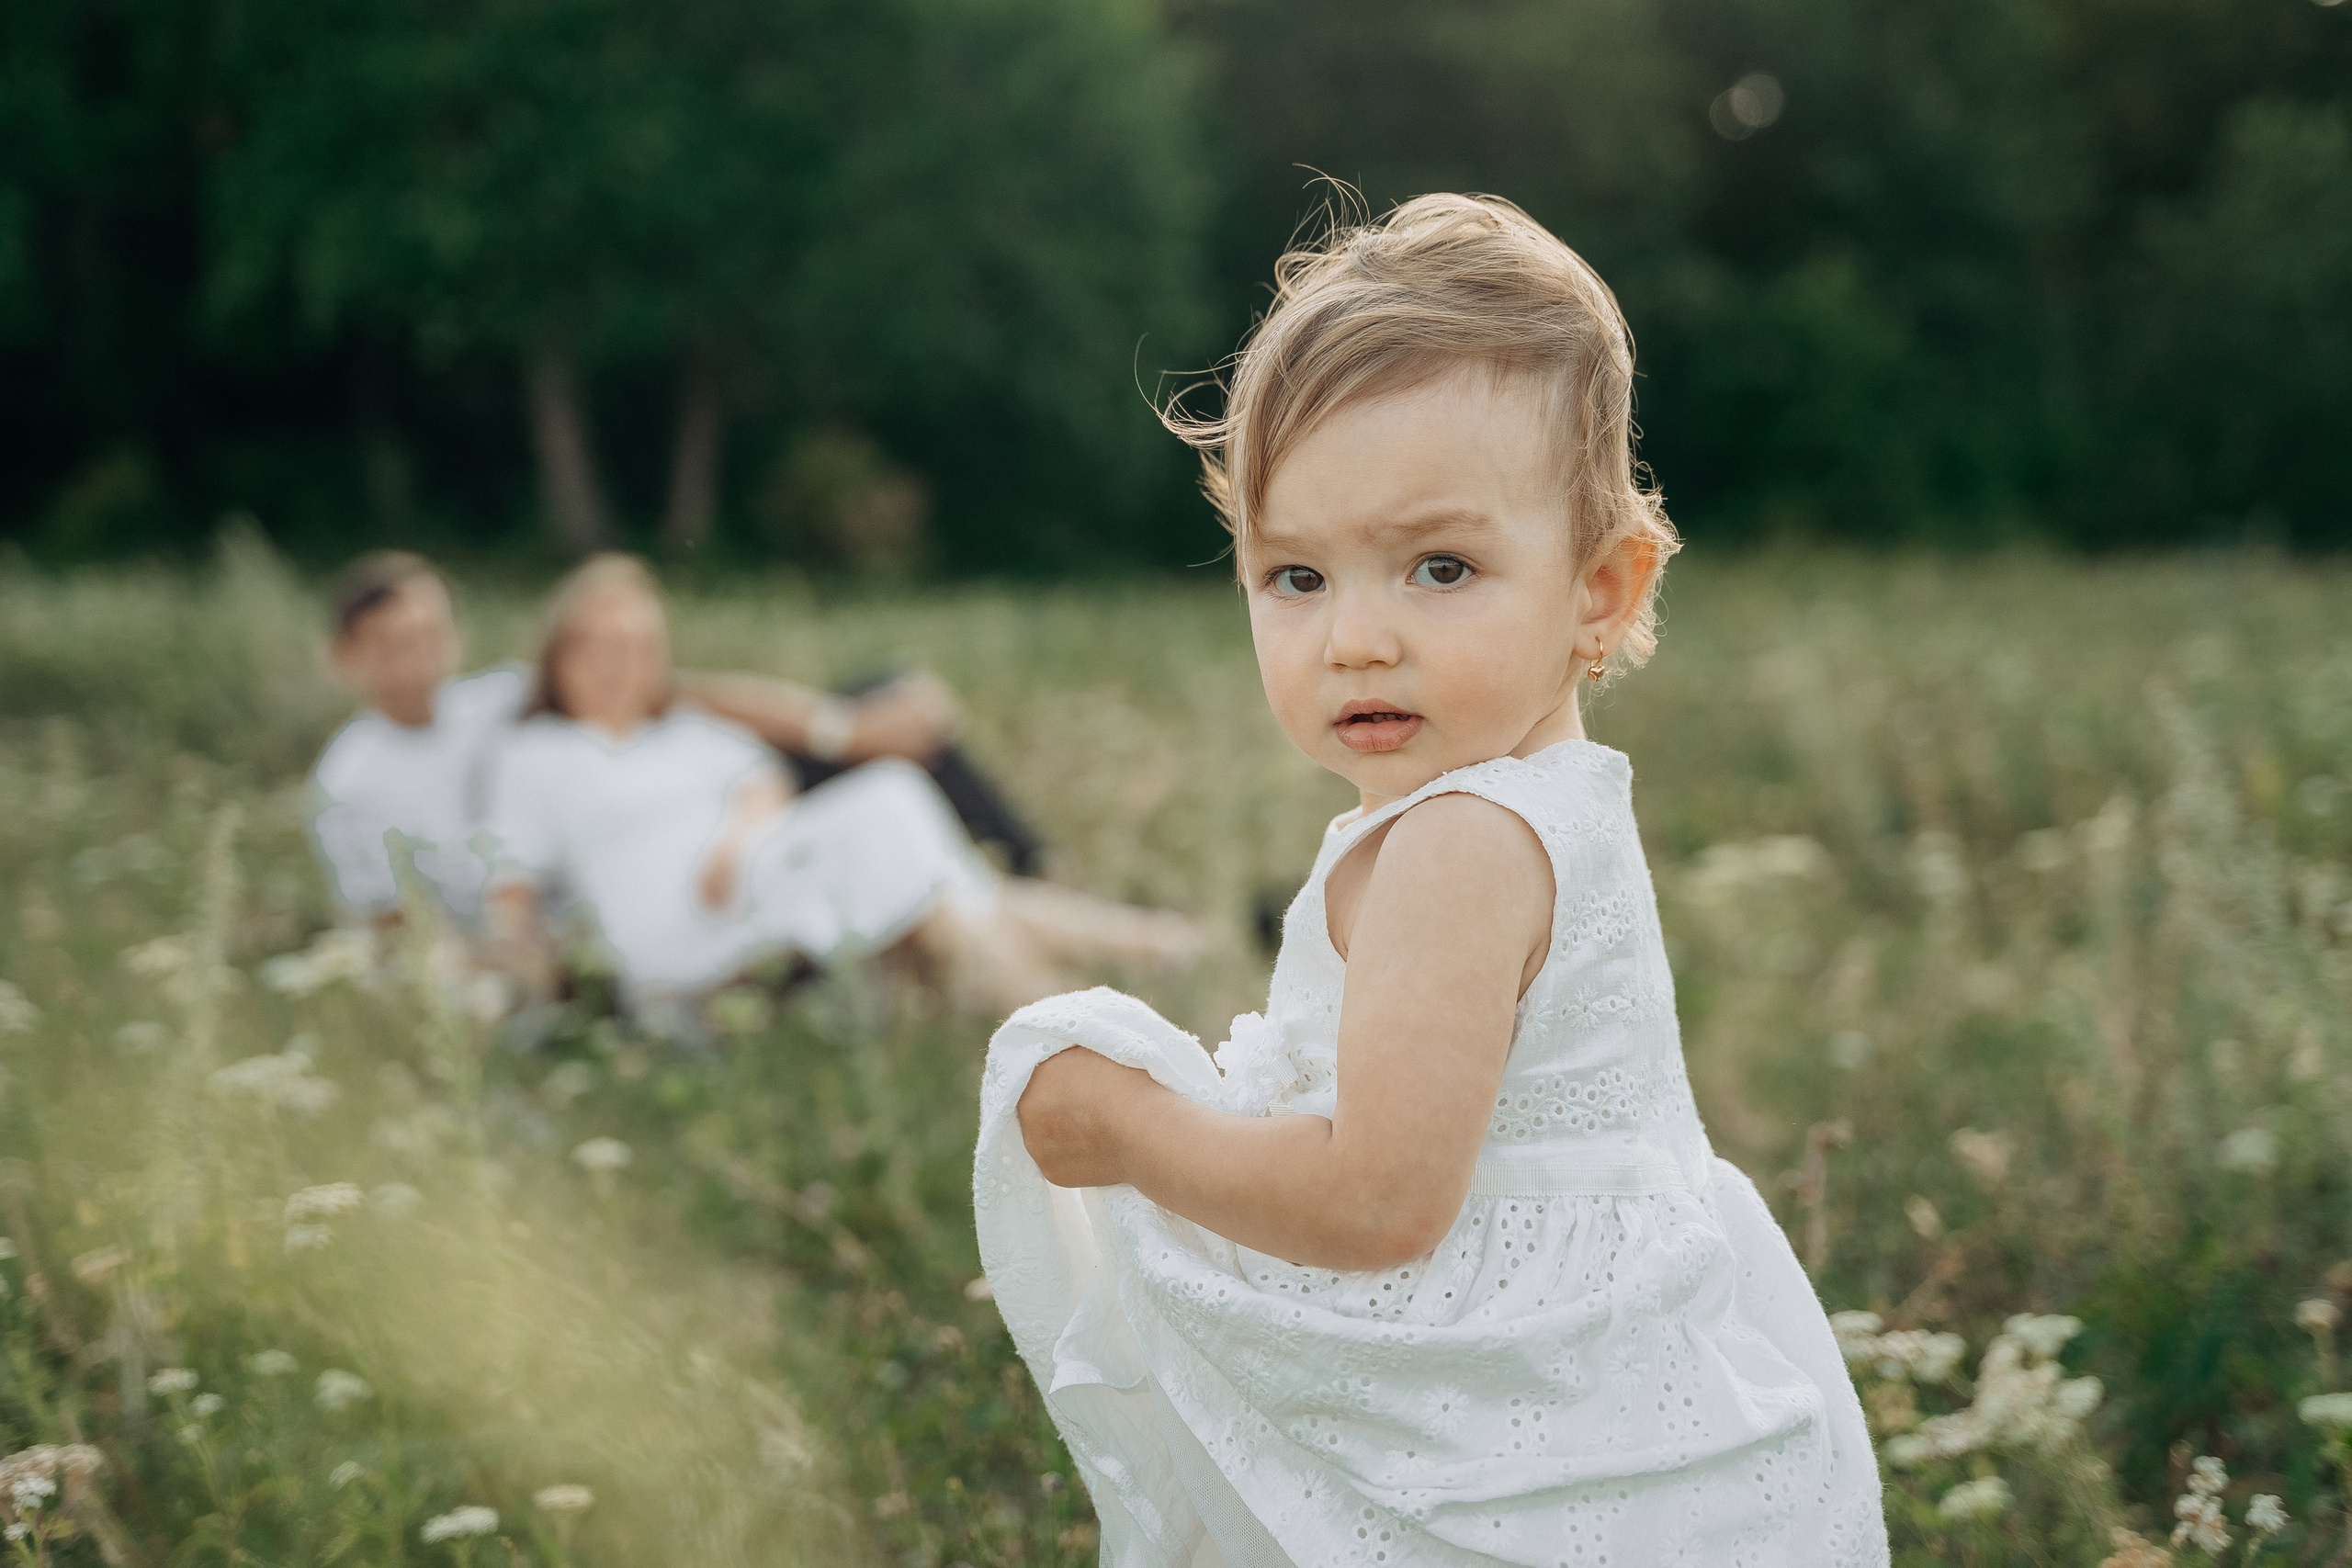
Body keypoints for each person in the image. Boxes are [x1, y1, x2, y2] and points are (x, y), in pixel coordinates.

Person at [976, 196, 1888, 1565]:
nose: (1355, 637)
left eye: (1440, 567)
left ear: (1598, 587)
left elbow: (1376, 1200)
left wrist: (1129, 1128)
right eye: (1295, 574)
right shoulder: (1541, 800)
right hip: (1597, 1374)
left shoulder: (1462, 845)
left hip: (1510, 1428)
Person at [479, 555, 1204, 1021]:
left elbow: (760, 779)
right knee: (892, 805)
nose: (617, 664)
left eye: (637, 647)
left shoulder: (685, 730)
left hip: (744, 883)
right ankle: (1119, 987)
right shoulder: (538, 754)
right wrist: (527, 984)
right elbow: (509, 890)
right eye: (595, 646)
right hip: (670, 934)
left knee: (925, 874)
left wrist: (736, 834)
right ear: (558, 657)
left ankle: (1087, 1009)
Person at [307, 551, 1007, 933]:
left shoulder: (490, 697)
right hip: (584, 902)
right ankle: (970, 904)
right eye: (394, 646)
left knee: (887, 696)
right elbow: (389, 928)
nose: (420, 659)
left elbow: (668, 692)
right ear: (346, 659)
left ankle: (1022, 866)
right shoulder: (350, 783)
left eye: (432, 634)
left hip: (676, 819)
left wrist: (838, 727)